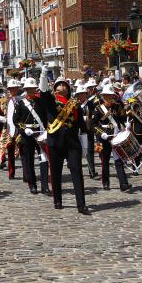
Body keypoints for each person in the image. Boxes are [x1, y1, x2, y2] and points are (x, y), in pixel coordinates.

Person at [38, 65, 90, 214]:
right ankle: (58, 200)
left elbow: (82, 126)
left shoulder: (74, 105)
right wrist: (43, 74)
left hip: (73, 143)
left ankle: (81, 204)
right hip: (55, 142)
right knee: (55, 172)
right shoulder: (50, 102)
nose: (62, 86)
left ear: (68, 89)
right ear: (54, 89)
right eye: (59, 84)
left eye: (64, 84)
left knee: (77, 171)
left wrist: (85, 146)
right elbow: (42, 91)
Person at [91, 84, 132, 191]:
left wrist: (126, 123)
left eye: (111, 96)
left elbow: (122, 117)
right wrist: (101, 133)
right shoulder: (98, 108)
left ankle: (123, 184)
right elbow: (93, 125)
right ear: (103, 96)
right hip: (101, 139)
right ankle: (105, 183)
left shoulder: (117, 106)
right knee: (104, 161)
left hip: (115, 136)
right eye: (107, 96)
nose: (109, 98)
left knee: (119, 160)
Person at [13, 77, 50, 195]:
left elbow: (46, 117)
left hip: (40, 134)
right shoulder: (20, 103)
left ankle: (45, 185)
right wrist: (24, 129)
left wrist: (46, 130)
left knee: (44, 160)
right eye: (29, 89)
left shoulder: (40, 102)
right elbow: (16, 120)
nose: (32, 90)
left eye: (33, 88)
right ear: (26, 89)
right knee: (29, 161)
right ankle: (32, 185)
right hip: (27, 135)